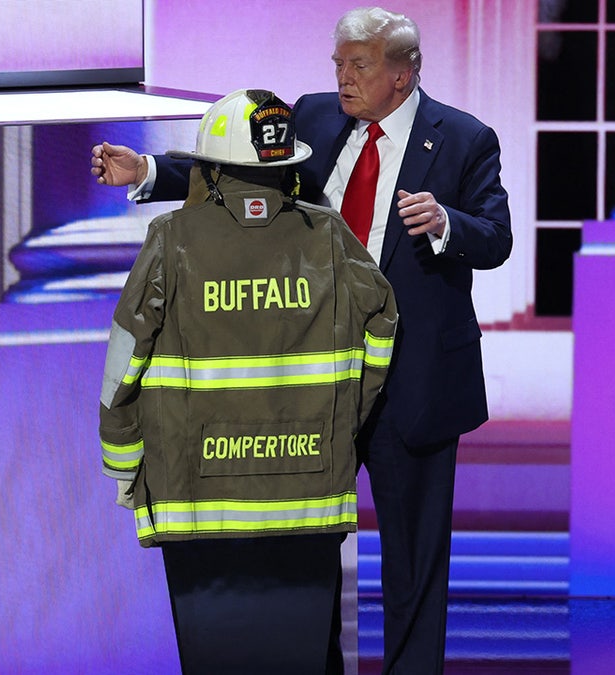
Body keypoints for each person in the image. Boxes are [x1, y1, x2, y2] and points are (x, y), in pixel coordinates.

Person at [92, 8, 513, 672]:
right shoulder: (316, 117)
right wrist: (147, 170)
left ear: (403, 74)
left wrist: (445, 222)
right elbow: (234, 174)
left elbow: (496, 237)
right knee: (307, 552)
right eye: (339, 64)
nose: (343, 79)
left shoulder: (463, 138)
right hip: (321, 380)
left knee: (415, 566)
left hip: (419, 386)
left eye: (360, 66)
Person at [97, 88, 398, 674]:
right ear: (287, 165)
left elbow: (124, 366)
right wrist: (344, 424)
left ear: (208, 170)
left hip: (196, 504)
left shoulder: (170, 239)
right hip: (308, 496)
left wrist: (123, 466)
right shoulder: (330, 237)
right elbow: (382, 324)